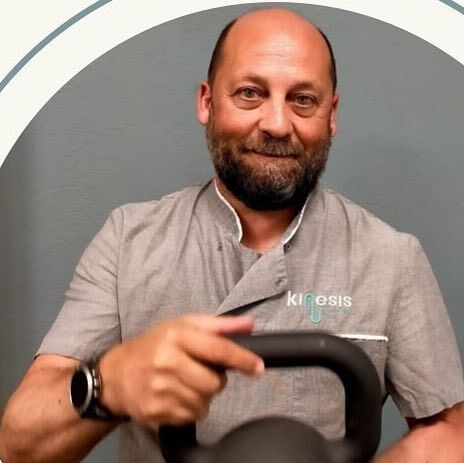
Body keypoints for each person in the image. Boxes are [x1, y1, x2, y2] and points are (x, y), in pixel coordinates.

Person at [1, 7, 463, 463]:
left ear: (332, 114)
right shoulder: (129, 241)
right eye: (249, 94)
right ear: (207, 102)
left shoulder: (391, 258)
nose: (277, 124)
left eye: (303, 100)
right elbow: (18, 446)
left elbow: (450, 432)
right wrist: (110, 384)